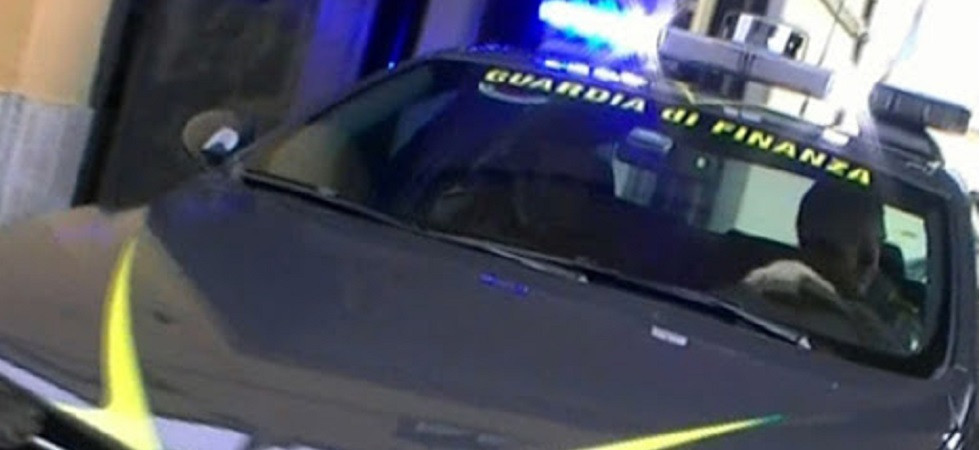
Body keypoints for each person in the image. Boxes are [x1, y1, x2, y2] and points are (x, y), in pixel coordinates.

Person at [742, 180, 922, 352]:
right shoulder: (757, 301)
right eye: (851, 240)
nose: (870, 260)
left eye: (878, 242)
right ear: (814, 247)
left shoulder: (901, 325)